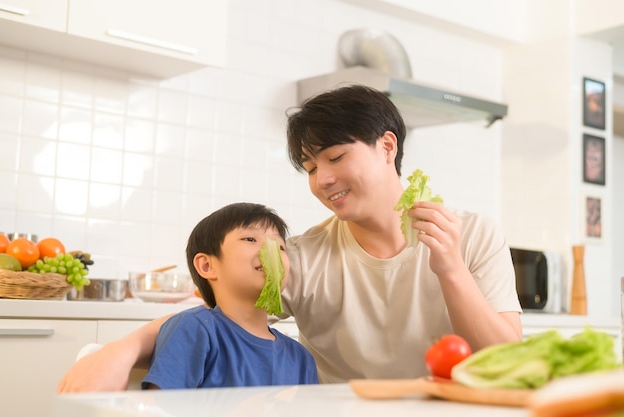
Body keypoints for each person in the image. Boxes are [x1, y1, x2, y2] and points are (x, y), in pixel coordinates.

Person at [57, 85, 522, 391]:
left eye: (335, 157)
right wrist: (121, 350)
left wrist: (451, 270)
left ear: (387, 147)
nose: (323, 180)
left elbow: (509, 364)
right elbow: (219, 318)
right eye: (311, 167)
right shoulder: (299, 257)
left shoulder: (473, 234)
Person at [141, 202, 317, 389]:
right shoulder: (194, 329)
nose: (271, 250)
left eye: (280, 246)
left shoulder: (300, 357)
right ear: (207, 266)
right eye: (250, 239)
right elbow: (158, 409)